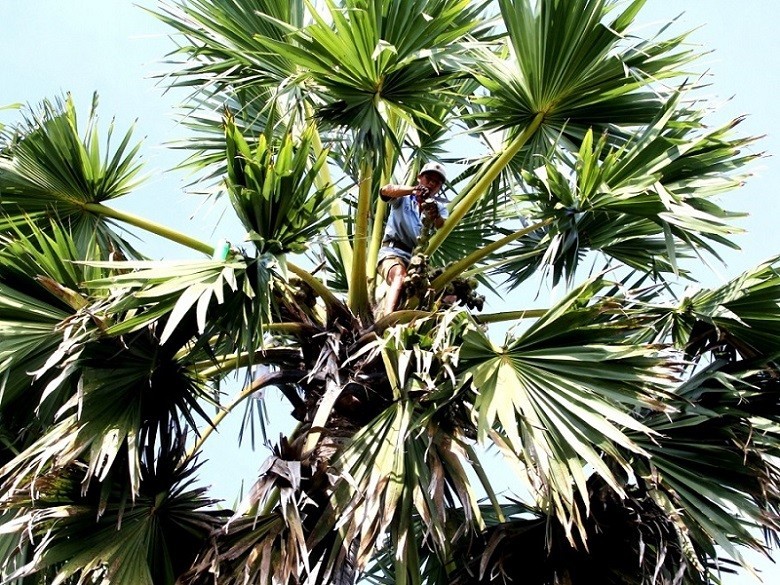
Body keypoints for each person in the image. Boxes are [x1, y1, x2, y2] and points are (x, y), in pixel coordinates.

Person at [376, 162, 448, 317]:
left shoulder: (438, 208)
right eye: (428, 178)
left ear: (439, 187)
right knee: (399, 277)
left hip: (416, 262)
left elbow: (440, 224)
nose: (431, 183)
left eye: (436, 182)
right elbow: (385, 191)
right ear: (419, 178)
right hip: (392, 253)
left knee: (445, 291)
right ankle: (388, 320)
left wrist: (433, 213)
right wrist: (413, 190)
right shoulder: (404, 198)